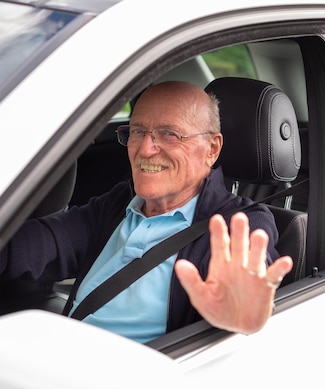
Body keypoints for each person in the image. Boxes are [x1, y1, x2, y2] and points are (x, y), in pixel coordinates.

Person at [0, 81, 293, 342]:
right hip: (63, 360)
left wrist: (238, 314)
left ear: (212, 149)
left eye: (169, 134)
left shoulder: (238, 224)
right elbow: (33, 245)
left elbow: (250, 269)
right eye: (138, 131)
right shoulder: (119, 204)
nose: (145, 149)